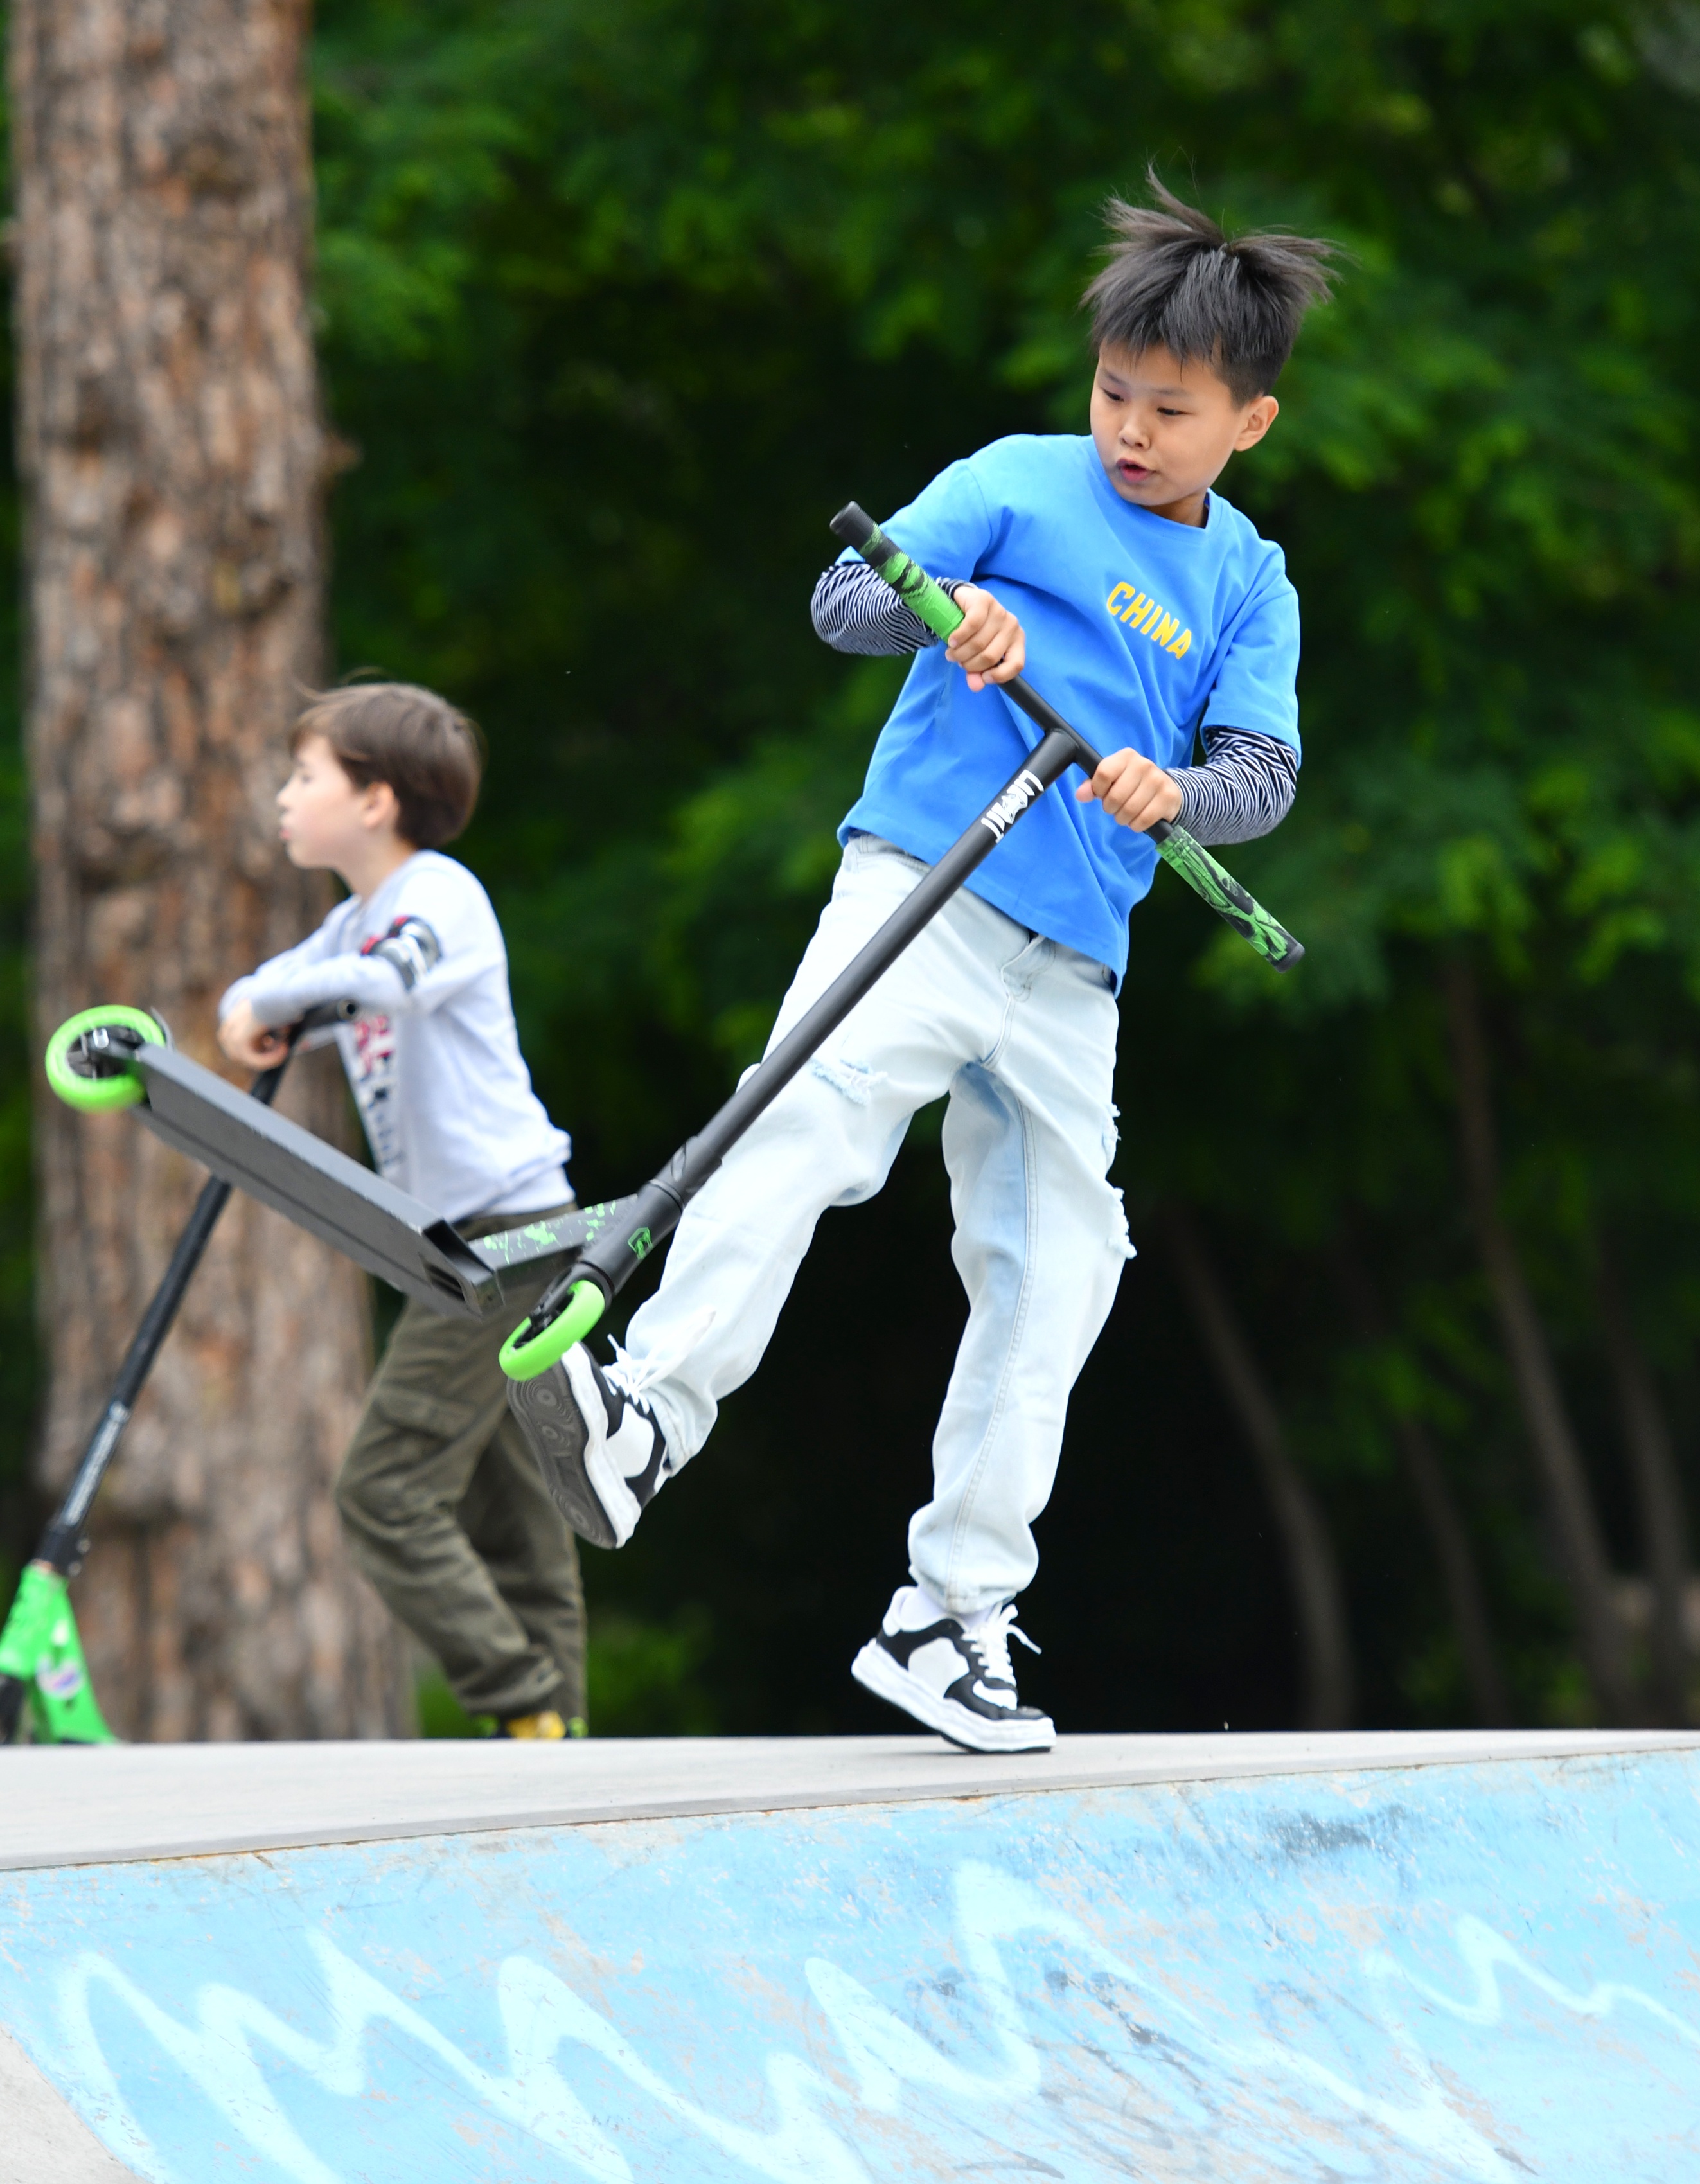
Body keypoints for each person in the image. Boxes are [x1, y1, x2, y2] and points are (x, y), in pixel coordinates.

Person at [509, 179, 1338, 1754]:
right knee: (806, 1119)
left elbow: (1259, 772)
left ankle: (948, 1614)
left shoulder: (1248, 584)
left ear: (1250, 422)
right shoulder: (1013, 481)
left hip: (1073, 964)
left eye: (1168, 410)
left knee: (1056, 1266)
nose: (1127, 432)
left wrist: (1179, 791)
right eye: (1112, 392)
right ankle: (641, 1414)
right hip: (925, 885)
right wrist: (939, 611)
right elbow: (841, 598)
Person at [219, 684, 589, 1738]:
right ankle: (558, 1745)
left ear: (375, 799)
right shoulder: (353, 917)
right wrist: (258, 1005)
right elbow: (259, 993)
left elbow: (384, 986)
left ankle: (518, 1705)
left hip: (509, 1236)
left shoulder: (440, 897)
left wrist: (275, 1005)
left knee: (383, 1492)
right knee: (515, 1510)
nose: (284, 797)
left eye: (305, 777)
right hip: (476, 1239)